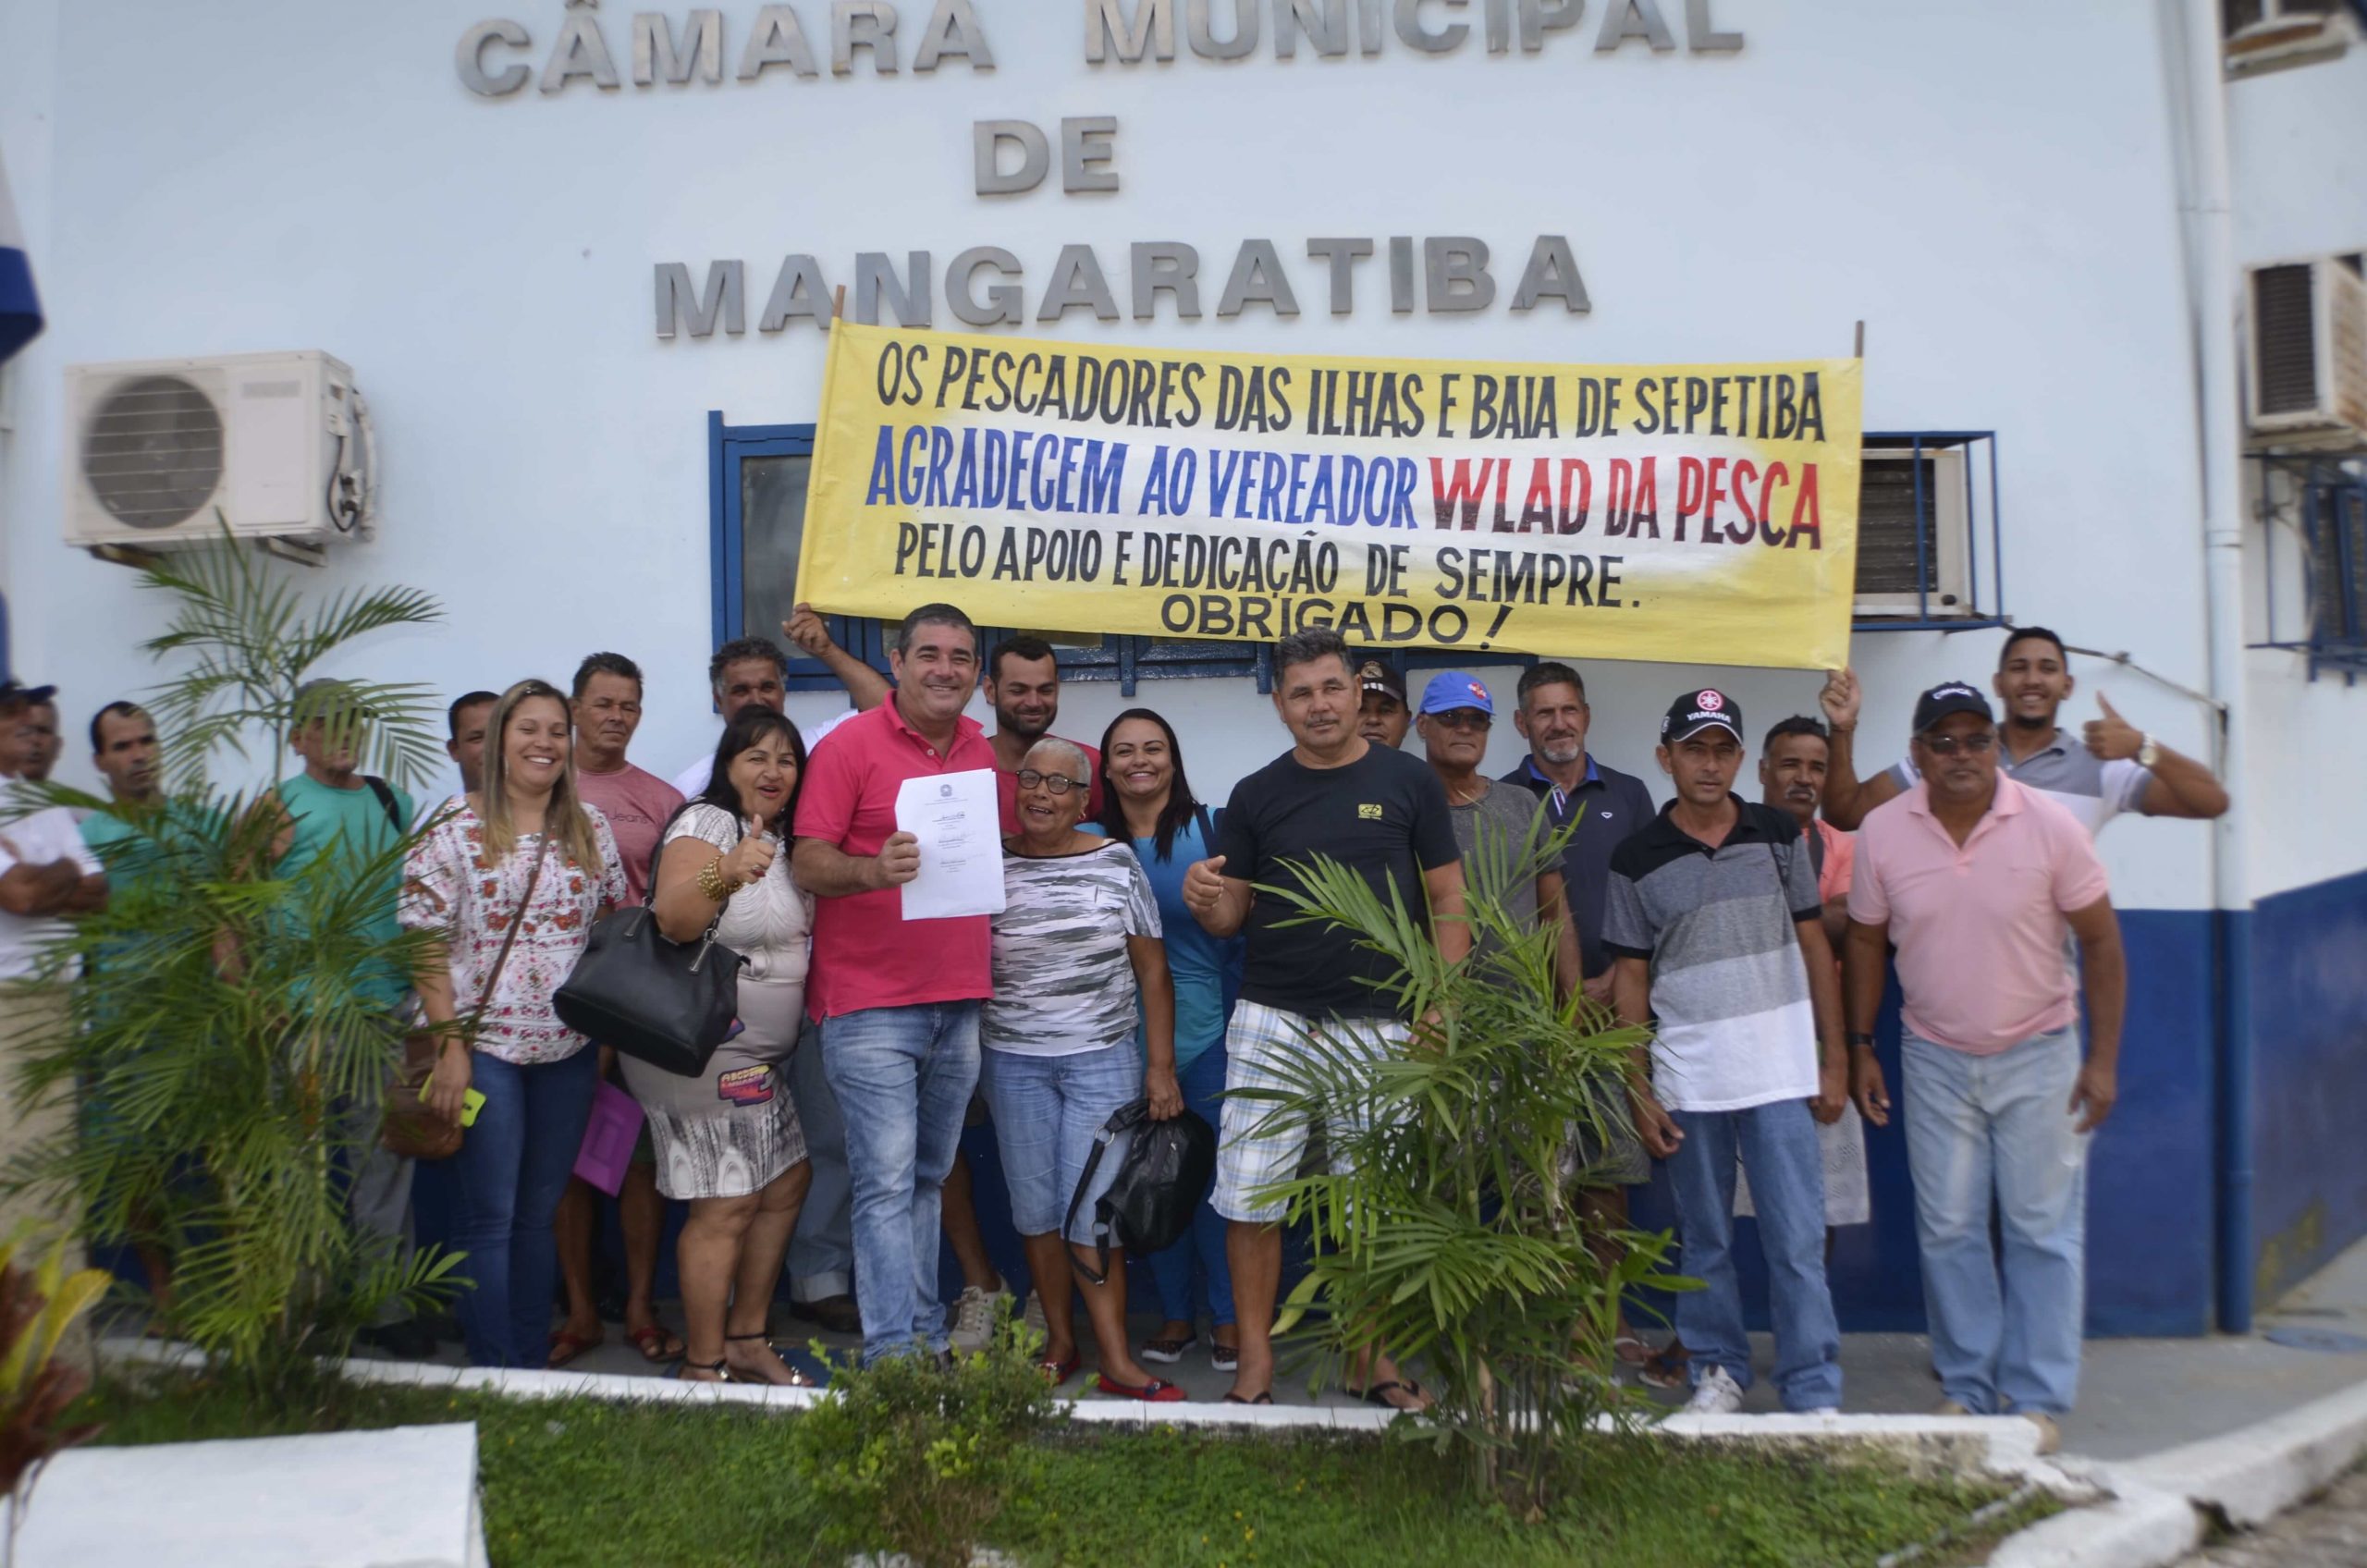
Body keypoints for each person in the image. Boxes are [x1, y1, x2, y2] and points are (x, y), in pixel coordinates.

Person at [1182, 626, 1470, 1408]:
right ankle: (1256, 1367)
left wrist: (1441, 1002)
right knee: (1250, 1200)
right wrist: (1207, 902)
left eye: (1332, 687)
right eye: (1301, 692)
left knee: (1372, 1203)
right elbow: (1232, 914)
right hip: (1273, 1022)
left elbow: (1449, 901)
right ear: (1279, 705)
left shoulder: (1410, 783)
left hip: (1383, 1028)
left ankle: (1370, 1360)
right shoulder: (1256, 795)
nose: (1319, 704)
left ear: (1357, 693)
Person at [1844, 682, 2126, 1455]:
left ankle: (2034, 1398)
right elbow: (1867, 941)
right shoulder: (1881, 832)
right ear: (1918, 753)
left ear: (1996, 746)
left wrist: (2100, 1061)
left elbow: (2101, 943)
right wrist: (1860, 1044)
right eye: (1943, 741)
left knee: (2042, 1230)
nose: (1961, 755)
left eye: (1975, 740)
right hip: (1933, 1055)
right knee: (1948, 1228)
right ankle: (1968, 1389)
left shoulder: (2051, 826)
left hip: (2040, 1053)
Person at [1603, 688, 1848, 1416]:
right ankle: (1719, 1371)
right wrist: (1638, 1087)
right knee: (1705, 1239)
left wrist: (1832, 1059)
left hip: (1778, 1072)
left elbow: (1812, 942)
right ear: (1665, 756)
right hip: (1690, 1079)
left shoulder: (1778, 834)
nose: (1708, 765)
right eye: (1693, 749)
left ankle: (1813, 1385)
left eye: (1721, 749)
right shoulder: (1634, 857)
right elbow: (1632, 978)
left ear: (1741, 758)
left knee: (1797, 1240)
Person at [791, 603, 995, 1365]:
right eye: (931, 654)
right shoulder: (848, 747)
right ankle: (892, 1357)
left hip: (959, 999)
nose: (947, 669)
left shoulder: (980, 750)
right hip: (869, 1004)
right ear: (899, 661)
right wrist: (872, 871)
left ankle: (921, 1335)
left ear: (976, 673)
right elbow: (807, 859)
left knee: (925, 1180)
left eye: (962, 657)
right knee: (883, 1181)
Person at [401, 679, 627, 1368]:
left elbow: (613, 927)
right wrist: (449, 1050)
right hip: (483, 1051)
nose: (544, 743)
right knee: (490, 1218)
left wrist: (606, 1031)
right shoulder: (451, 827)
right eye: (527, 729)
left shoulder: (590, 828)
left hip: (566, 1051)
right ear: (499, 740)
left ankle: (528, 1367)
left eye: (556, 730)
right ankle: (495, 1369)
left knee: (538, 1217)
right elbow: (421, 939)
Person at [983, 738, 1184, 1399]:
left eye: (1059, 785)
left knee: (1092, 1215)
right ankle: (1061, 1343)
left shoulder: (1116, 862)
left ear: (1082, 801)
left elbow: (1153, 971)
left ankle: (1118, 1360)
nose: (1041, 793)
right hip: (1013, 1062)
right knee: (1034, 1212)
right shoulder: (989, 862)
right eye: (1031, 779)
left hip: (1101, 1062)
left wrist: (1160, 1067)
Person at [624, 708, 816, 1384]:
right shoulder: (707, 823)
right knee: (726, 1200)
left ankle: (745, 1337)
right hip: (701, 1049)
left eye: (787, 760)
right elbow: (673, 917)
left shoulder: (786, 838)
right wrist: (727, 873)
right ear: (727, 765)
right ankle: (704, 1367)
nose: (773, 771)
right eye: (756, 757)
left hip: (757, 1056)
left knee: (787, 1177)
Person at [256, 680, 429, 1358]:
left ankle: (384, 1311)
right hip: (301, 1019)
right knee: (295, 1169)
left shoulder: (394, 800)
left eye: (354, 722)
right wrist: (257, 1001)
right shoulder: (277, 808)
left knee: (382, 1163)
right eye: (324, 724)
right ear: (298, 737)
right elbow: (235, 908)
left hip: (379, 1013)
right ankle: (303, 1310)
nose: (341, 734)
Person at [1496, 659, 1659, 1364]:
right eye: (1543, 712)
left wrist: (1610, 986)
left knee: (1607, 1181)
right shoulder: (1498, 799)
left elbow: (1652, 902)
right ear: (1521, 723)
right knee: (1535, 1181)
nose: (1557, 724)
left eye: (1569, 710)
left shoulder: (1629, 794)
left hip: (1611, 1019)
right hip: (1526, 1027)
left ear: (1586, 716)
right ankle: (1544, 1323)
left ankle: (1608, 1319)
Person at [548, 653, 685, 1368]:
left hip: (636, 1007)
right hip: (550, 1009)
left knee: (638, 1163)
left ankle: (638, 1304)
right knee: (568, 1165)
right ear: (575, 708)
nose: (616, 717)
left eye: (628, 705)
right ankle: (577, 1308)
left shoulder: (661, 800)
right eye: (602, 704)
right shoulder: (540, 787)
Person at [1097, 706, 1242, 1375]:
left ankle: (1230, 1317)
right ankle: (1176, 1313)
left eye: (1154, 748)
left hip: (1209, 1034)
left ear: (1174, 759)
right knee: (1149, 1181)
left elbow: (1241, 922)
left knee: (1216, 1183)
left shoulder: (1212, 829)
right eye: (1124, 751)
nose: (1139, 761)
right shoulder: (1087, 840)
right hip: (1118, 1041)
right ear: (1105, 766)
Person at [1817, 627, 2230, 835]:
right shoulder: (1952, 755)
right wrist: (1844, 728)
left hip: (2043, 986)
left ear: (2067, 686)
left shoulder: (2101, 769)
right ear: (1999, 684)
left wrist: (2142, 745)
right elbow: (1845, 814)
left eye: (2047, 669)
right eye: (2019, 668)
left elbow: (2211, 802)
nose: (2032, 680)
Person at [1736, 716, 1872, 1235]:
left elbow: (1843, 921)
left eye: (1818, 767)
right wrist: (1813, 917)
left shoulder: (1845, 847)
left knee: (1820, 1206)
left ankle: (1808, 1316)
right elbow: (1825, 919)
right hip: (1745, 1040)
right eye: (1790, 764)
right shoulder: (1730, 838)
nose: (1805, 778)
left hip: (1819, 1043)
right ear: (1763, 770)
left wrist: (1765, 913)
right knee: (1748, 1197)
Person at [0, 679, 104, 1249]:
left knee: (54, 1175)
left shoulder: (41, 805)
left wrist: (48, 870)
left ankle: (52, 1334)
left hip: (56, 1008)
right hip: (6, 1008)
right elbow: (22, 899)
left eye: (42, 727)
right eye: (18, 722)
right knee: (13, 1171)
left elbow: (101, 892)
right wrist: (64, 873)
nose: (34, 736)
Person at [1414, 672, 1581, 988]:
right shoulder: (1407, 810)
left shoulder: (1522, 803)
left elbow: (1556, 916)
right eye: (1450, 717)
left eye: (1478, 720)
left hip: (1526, 1020)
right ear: (1423, 725)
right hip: (1436, 1017)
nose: (1465, 728)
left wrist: (1572, 1008)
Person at [671, 637, 793, 799]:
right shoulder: (691, 788)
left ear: (783, 693)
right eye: (741, 691)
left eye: (767, 688)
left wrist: (826, 649)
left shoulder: (814, 750)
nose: (756, 701)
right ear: (718, 700)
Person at [446, 692, 497, 797]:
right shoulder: (443, 814)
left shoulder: (539, 811)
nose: (491, 747)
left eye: (499, 735)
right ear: (454, 750)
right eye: (477, 738)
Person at [1355, 659, 1411, 750]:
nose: (1373, 720)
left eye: (1386, 710)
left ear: (1406, 722)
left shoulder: (1417, 764)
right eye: (1361, 709)